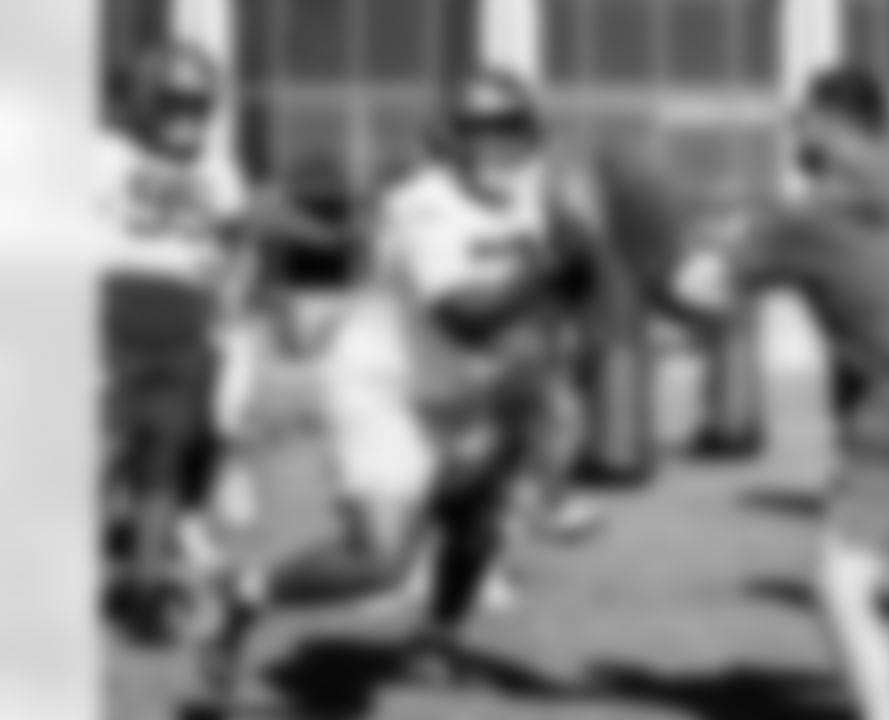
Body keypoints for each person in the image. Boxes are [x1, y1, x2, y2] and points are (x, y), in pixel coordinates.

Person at [187, 69, 594, 706]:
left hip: (469, 388)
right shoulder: (419, 204)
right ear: (450, 138)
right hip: (384, 388)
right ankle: (244, 591)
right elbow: (464, 317)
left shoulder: (539, 197)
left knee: (477, 521)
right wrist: (550, 262)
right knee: (380, 560)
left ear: (531, 133)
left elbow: (572, 291)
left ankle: (437, 640)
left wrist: (582, 263)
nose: (495, 144)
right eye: (478, 129)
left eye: (508, 128)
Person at [675, 65, 889, 720]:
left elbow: (699, 295)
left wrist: (708, 252)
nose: (791, 135)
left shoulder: (805, 215)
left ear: (827, 124)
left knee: (840, 584)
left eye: (797, 122)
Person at [98, 41, 250, 644]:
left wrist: (232, 299)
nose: (188, 114)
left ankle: (143, 592)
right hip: (107, 334)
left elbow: (239, 238)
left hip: (185, 340)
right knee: (96, 460)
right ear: (143, 102)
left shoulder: (219, 170)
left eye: (200, 102)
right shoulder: (101, 156)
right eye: (173, 101)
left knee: (161, 473)